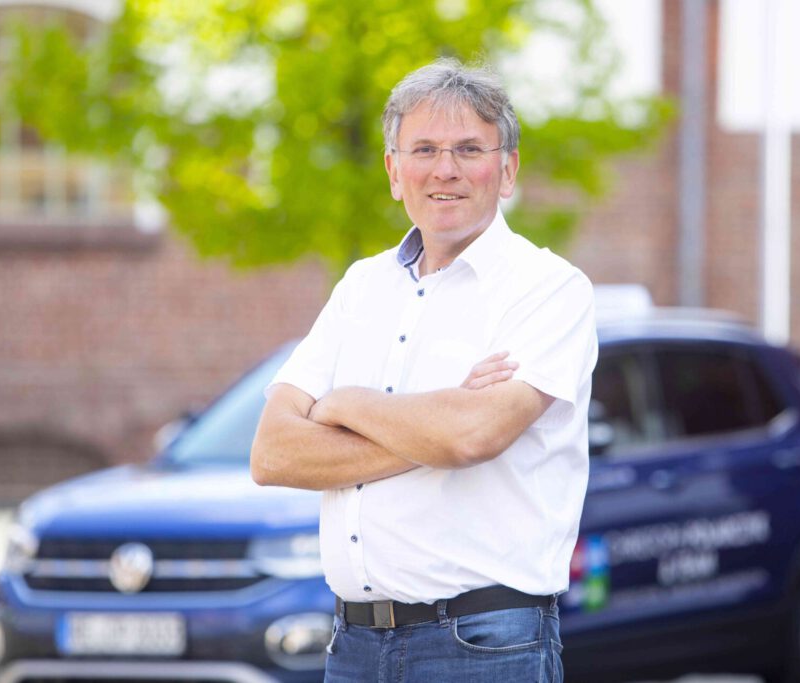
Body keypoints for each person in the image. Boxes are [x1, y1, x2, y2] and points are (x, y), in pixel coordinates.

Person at [250, 57, 597, 683]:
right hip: (353, 648)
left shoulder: (549, 289)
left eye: (469, 149)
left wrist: (344, 404)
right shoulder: (361, 287)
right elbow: (273, 454)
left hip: (484, 646)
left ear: (508, 169)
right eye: (425, 149)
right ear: (393, 171)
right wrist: (434, 424)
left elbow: (471, 436)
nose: (445, 169)